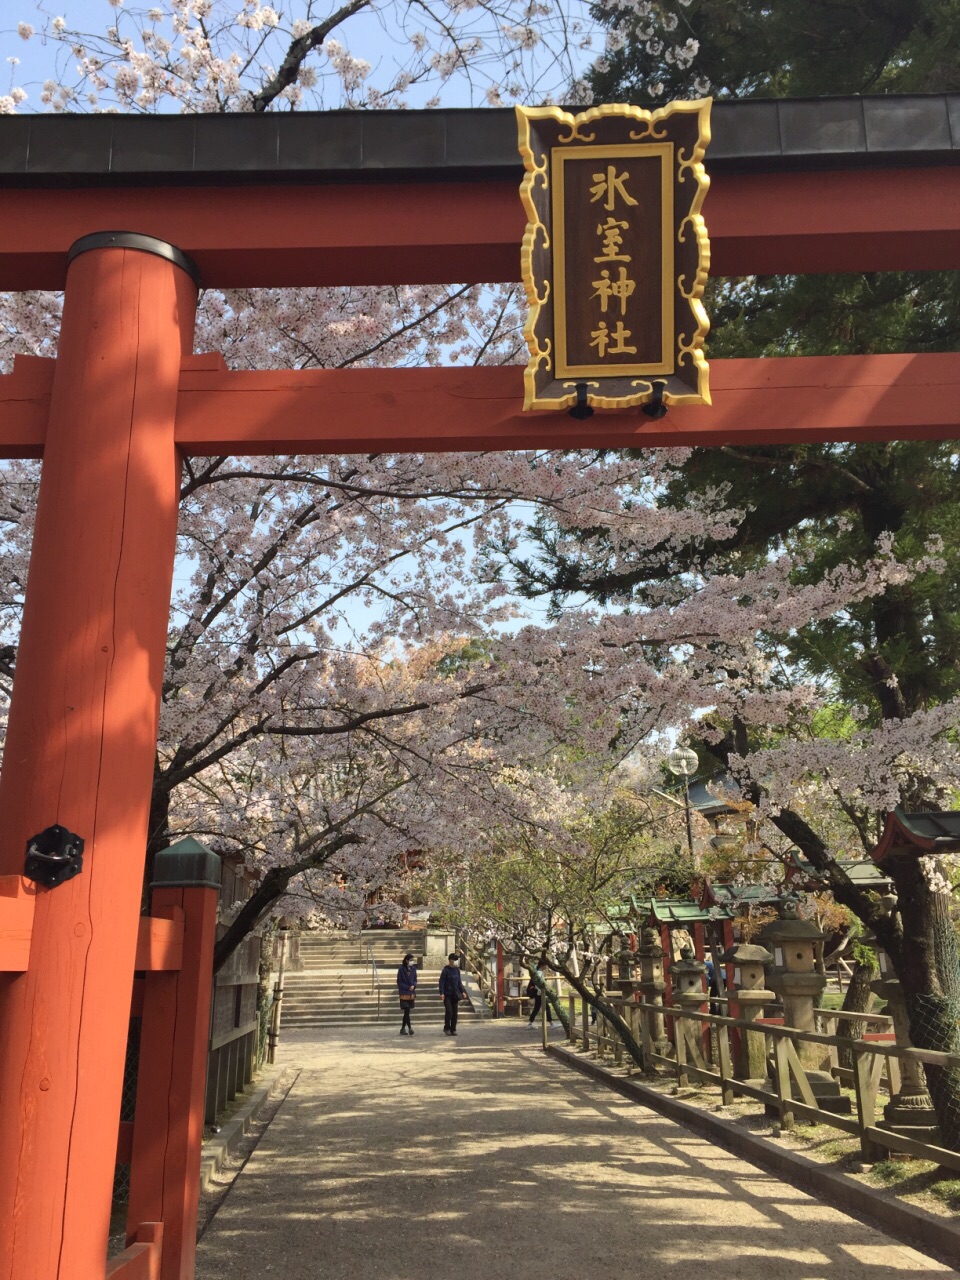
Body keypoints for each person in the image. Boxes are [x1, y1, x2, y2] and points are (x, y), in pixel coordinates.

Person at [439, 952, 466, 1035]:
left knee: (455, 1013)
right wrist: (442, 993)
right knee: (449, 1011)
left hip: (455, 994)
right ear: (450, 960)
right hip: (447, 994)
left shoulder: (457, 970)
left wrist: (462, 991)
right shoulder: (445, 970)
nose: (456, 961)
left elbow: (459, 982)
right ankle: (446, 1027)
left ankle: (453, 1029)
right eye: (455, 960)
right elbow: (441, 982)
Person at [397, 952, 417, 1036]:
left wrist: (414, 985)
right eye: (410, 960)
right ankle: (409, 1028)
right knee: (407, 1010)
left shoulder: (413, 969)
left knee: (407, 1012)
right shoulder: (401, 969)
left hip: (411, 993)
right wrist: (407, 987)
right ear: (406, 960)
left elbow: (415, 979)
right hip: (404, 992)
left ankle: (402, 1028)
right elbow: (399, 981)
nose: (412, 961)